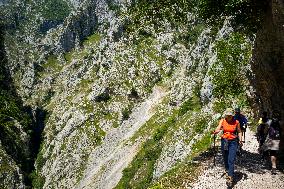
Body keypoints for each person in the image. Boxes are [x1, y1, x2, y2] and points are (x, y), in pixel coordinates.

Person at [213, 108, 242, 187]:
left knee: (231, 159)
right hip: (224, 141)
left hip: (233, 141)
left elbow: (239, 131)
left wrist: (240, 140)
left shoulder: (236, 122)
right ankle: (227, 170)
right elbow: (218, 128)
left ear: (232, 115)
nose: (228, 117)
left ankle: (230, 177)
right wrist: (216, 131)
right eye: (227, 115)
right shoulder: (222, 120)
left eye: (230, 115)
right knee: (225, 157)